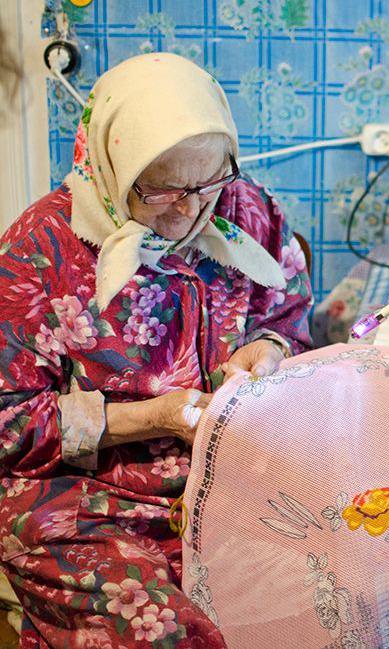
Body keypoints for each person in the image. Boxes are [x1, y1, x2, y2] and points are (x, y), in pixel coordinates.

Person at [0, 53, 312, 647]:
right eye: (163, 189)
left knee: (342, 588)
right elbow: (7, 422)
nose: (194, 209)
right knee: (166, 630)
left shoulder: (248, 210)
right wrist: (154, 417)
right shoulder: (38, 249)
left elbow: (288, 317)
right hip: (88, 495)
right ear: (112, 165)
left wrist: (269, 350)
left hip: (233, 474)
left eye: (210, 181)